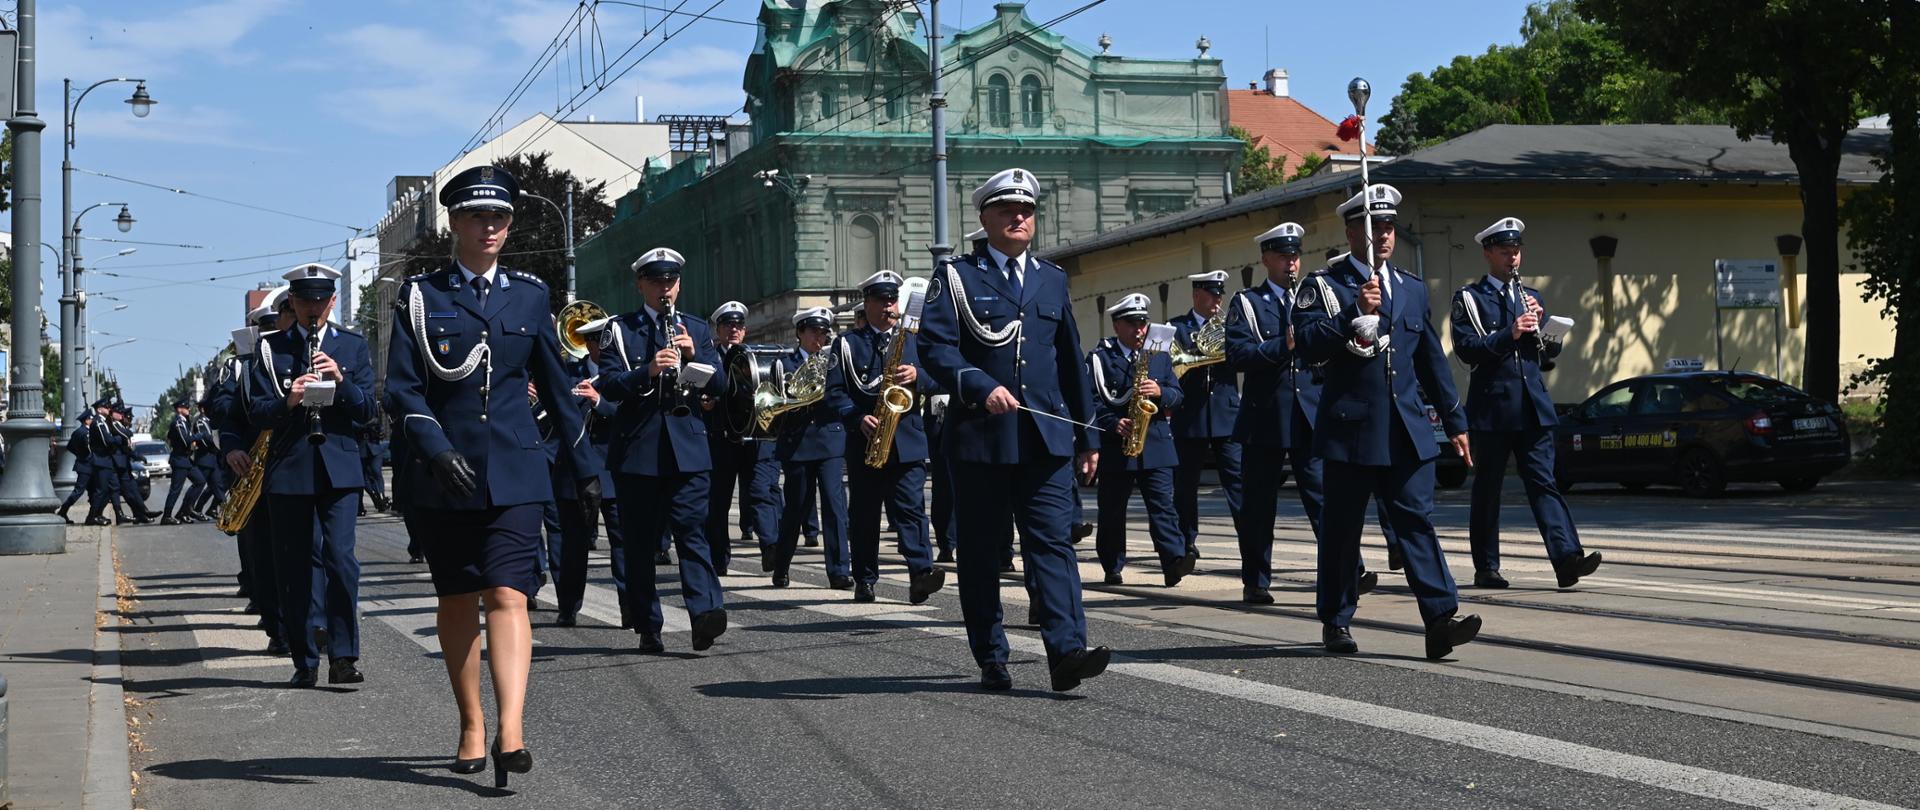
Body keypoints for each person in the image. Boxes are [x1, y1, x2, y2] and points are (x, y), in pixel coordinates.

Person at [386, 166, 601, 786]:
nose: (490, 227)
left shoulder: (530, 295)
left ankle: (512, 729)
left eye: (500, 217)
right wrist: (434, 449)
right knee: (457, 596)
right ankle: (471, 723)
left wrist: (585, 470)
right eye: (478, 216)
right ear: (455, 222)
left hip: (515, 470)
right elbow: (403, 388)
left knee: (509, 594)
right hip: (444, 475)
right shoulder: (421, 296)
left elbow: (557, 389)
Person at [919, 167, 1111, 693]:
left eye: (1026, 210)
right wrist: (980, 386)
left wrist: (1088, 436)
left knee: (1053, 544)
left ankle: (1067, 652)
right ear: (985, 218)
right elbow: (935, 347)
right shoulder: (956, 277)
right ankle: (991, 654)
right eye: (1007, 209)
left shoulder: (1051, 278)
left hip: (1045, 437)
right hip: (981, 437)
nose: (1019, 217)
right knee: (982, 552)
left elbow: (1070, 360)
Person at [1291, 183, 1481, 660]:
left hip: (1406, 429)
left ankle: (1440, 619)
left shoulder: (1411, 288)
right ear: (1352, 232)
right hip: (1351, 429)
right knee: (1342, 530)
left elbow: (1430, 359)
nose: (1384, 236)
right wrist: (1353, 312)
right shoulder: (1326, 285)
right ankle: (1336, 618)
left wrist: (1455, 419)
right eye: (1374, 227)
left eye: (1390, 226)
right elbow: (1306, 345)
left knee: (1417, 522)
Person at [1226, 222, 1394, 605]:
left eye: (1295, 256)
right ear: (1266, 259)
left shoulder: (1315, 293)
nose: (1291, 263)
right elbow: (1237, 355)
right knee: (1258, 506)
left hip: (1310, 413)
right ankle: (1256, 580)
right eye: (1283, 256)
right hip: (1266, 415)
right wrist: (1281, 347)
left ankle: (1351, 570)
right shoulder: (1247, 303)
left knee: (1325, 500)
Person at [1450, 216, 1603, 590]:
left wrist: (1548, 330)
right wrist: (1511, 331)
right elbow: (1467, 350)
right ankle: (1487, 566)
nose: (1513, 259)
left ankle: (1567, 559)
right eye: (1505, 252)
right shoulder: (1470, 299)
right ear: (1488, 253)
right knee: (1488, 490)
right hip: (1493, 409)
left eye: (1516, 251)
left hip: (1533, 406)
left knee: (1544, 483)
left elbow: (1545, 356)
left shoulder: (1530, 296)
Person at [591, 246, 728, 656]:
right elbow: (609, 385)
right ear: (641, 285)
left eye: (670, 281)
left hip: (688, 449)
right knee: (639, 543)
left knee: (692, 532)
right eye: (656, 282)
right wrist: (647, 371)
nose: (664, 289)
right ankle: (648, 624)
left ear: (678, 285)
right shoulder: (619, 329)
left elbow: (721, 385)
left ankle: (704, 615)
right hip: (638, 451)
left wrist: (694, 358)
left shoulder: (697, 329)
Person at [247, 263, 376, 688]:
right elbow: (256, 413)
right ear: (293, 302)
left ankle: (343, 656)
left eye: (321, 300)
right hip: (290, 468)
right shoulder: (271, 349)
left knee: (342, 561)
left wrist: (341, 382)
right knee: (296, 566)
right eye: (304, 301)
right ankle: (305, 659)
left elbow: (367, 412)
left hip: (339, 468)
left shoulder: (352, 346)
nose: (313, 308)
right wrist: (288, 400)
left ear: (332, 301)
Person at [826, 271, 948, 604]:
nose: (888, 307)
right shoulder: (848, 344)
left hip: (907, 440)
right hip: (866, 441)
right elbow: (834, 392)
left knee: (911, 510)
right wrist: (856, 417)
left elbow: (942, 376)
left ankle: (920, 574)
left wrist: (919, 375)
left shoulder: (915, 339)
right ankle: (864, 579)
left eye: (892, 300)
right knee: (865, 515)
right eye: (881, 301)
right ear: (867, 303)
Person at [1087, 293, 1193, 587]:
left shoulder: (1158, 355)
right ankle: (1112, 565)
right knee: (1112, 510)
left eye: (1143, 324)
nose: (1140, 330)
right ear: (1116, 325)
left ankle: (1174, 561)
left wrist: (1160, 392)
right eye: (1132, 324)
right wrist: (1112, 423)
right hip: (1118, 445)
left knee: (1163, 506)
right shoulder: (1100, 358)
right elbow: (1090, 401)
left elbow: (1178, 395)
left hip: (1156, 442)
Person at [215, 292, 289, 655]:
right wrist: (232, 447)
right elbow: (224, 411)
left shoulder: (313, 355)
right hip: (256, 466)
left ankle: (315, 623)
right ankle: (279, 628)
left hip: (300, 464)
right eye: (269, 329)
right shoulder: (242, 367)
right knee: (264, 553)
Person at [767, 307, 854, 589]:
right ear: (800, 333)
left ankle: (839, 570)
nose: (820, 337)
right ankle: (781, 565)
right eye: (814, 332)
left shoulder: (833, 362)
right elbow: (775, 403)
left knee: (834, 505)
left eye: (824, 332)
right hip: (799, 443)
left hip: (830, 440)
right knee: (796, 507)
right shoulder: (784, 364)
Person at [702, 301, 782, 576]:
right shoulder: (708, 358)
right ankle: (718, 559)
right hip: (721, 440)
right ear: (718, 330)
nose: (733, 330)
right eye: (727, 325)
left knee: (761, 493)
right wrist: (704, 402)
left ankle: (770, 547)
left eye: (738, 326)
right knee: (718, 502)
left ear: (744, 331)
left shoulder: (753, 357)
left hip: (753, 439)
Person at [1169, 271, 1242, 564]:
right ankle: (1186, 542)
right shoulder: (1177, 328)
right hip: (1190, 417)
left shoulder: (1231, 327)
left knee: (1238, 483)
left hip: (1226, 415)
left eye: (1220, 295)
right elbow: (1170, 366)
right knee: (1185, 486)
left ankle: (1249, 539)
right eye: (1212, 295)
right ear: (1197, 294)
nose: (1217, 301)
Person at [161, 401, 210, 525]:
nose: (189, 409)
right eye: (186, 407)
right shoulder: (178, 423)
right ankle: (167, 516)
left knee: (200, 481)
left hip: (186, 460)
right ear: (179, 409)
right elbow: (186, 440)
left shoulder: (185, 422)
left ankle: (185, 511)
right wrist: (201, 435)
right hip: (179, 460)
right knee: (175, 489)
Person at [57, 411, 97, 524]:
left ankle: (93, 515)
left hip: (83, 464)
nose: (93, 421)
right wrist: (85, 456)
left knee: (92, 491)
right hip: (86, 466)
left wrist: (80, 454)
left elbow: (70, 447)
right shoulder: (86, 432)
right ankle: (63, 511)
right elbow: (89, 449)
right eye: (91, 419)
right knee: (79, 491)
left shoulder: (77, 432)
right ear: (87, 420)